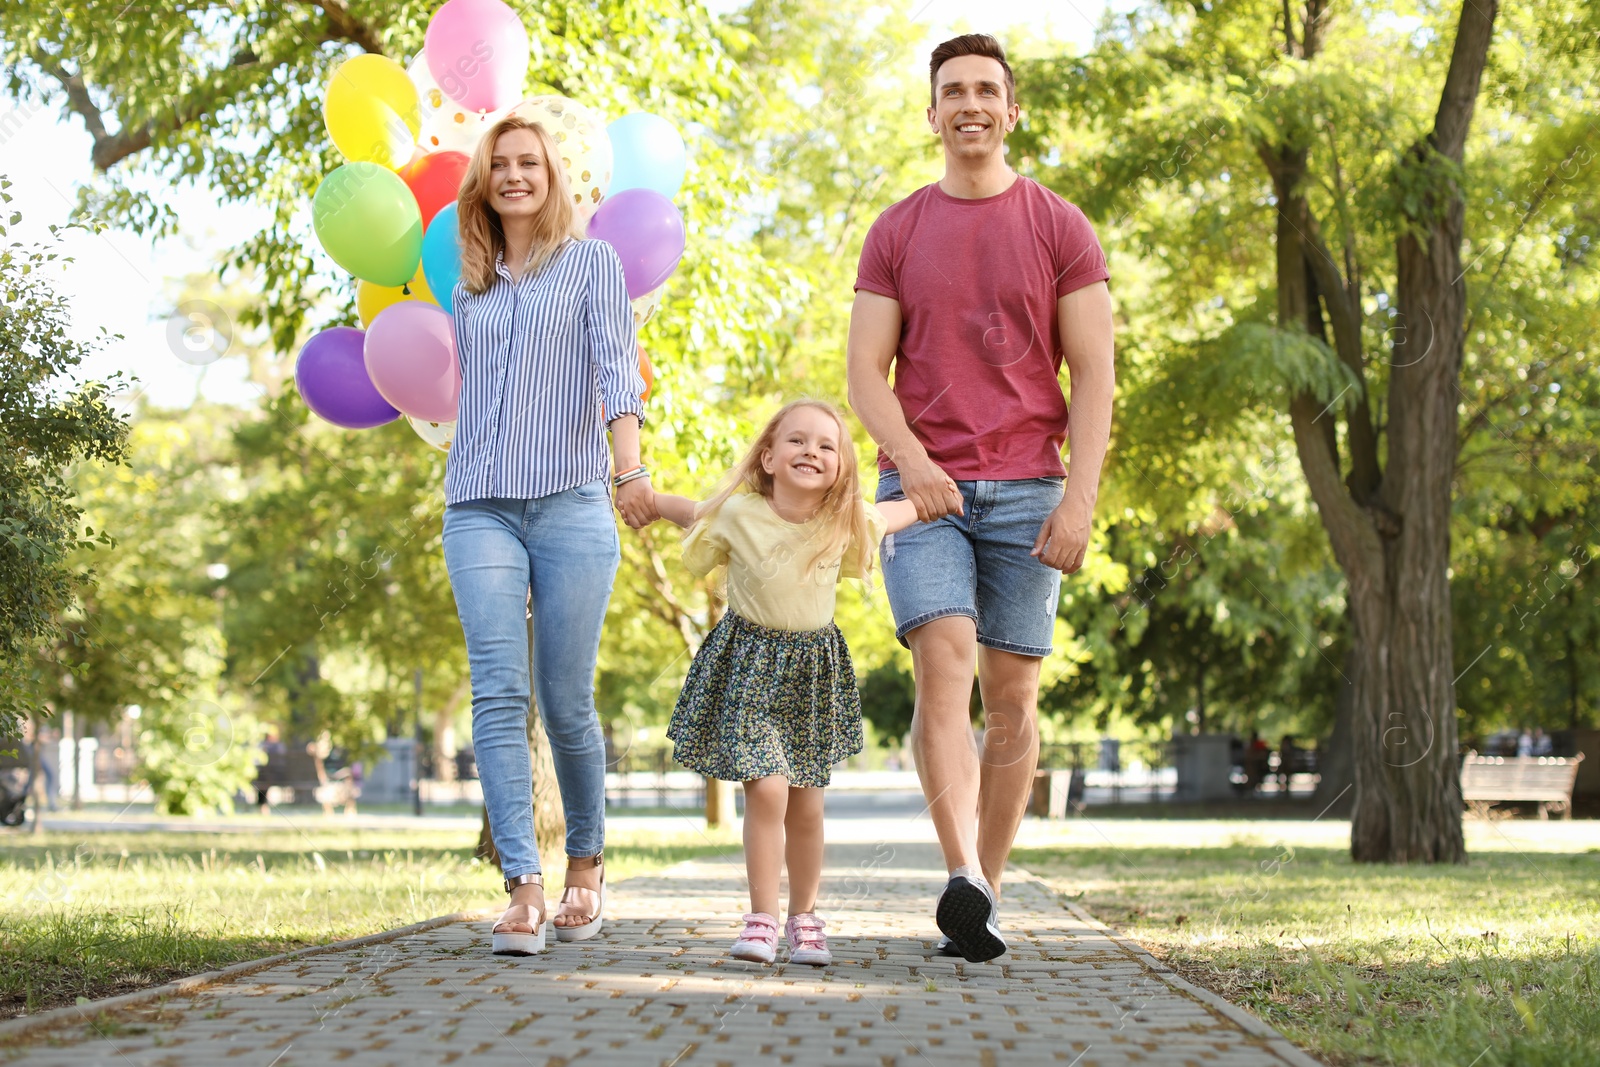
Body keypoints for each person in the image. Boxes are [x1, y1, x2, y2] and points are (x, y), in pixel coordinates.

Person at [846, 33, 1115, 962]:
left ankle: (985, 894)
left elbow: (1094, 375)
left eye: (984, 91)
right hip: (921, 490)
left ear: (1011, 111)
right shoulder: (897, 230)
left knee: (1013, 695)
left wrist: (1077, 502)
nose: (968, 104)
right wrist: (913, 463)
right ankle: (960, 868)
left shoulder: (1061, 226)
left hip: (1030, 486)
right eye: (951, 92)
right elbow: (864, 376)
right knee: (944, 661)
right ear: (932, 115)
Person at [442, 114, 654, 957]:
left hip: (572, 501)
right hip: (479, 504)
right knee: (498, 692)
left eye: (530, 162)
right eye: (501, 165)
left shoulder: (593, 264)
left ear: (553, 175)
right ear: (483, 182)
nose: (516, 176)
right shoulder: (469, 286)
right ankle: (522, 886)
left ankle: (587, 869)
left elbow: (614, 367)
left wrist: (628, 470)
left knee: (565, 700)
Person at [651, 400, 937, 966]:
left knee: (807, 804)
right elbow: (695, 513)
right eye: (797, 442)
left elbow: (889, 516)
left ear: (842, 466)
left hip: (813, 670)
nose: (812, 451)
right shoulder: (739, 511)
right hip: (750, 661)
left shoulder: (845, 519)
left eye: (827, 445)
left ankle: (805, 919)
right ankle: (761, 920)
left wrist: (935, 500)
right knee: (768, 787)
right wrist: (650, 500)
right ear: (769, 458)